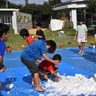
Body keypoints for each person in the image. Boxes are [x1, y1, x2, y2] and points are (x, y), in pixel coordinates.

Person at [0, 23, 10, 89]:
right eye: (8, 33)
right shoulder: (1, 44)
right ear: (4, 34)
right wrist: (1, 66)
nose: (9, 35)